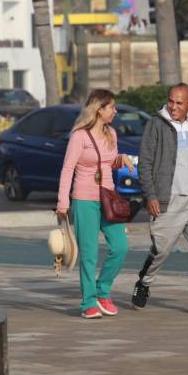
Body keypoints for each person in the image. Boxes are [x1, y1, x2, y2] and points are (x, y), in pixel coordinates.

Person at [131, 83, 188, 314]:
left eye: (179, 103)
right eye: (171, 101)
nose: (173, 107)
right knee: (160, 250)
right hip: (167, 201)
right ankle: (144, 283)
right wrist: (150, 195)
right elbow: (146, 163)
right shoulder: (156, 124)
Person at [56, 89, 135, 319]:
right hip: (84, 199)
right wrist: (63, 201)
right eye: (111, 107)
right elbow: (68, 168)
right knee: (89, 254)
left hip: (108, 198)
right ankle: (88, 302)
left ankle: (103, 290)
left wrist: (122, 159)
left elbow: (109, 163)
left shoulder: (111, 133)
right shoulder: (79, 136)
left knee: (120, 246)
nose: (115, 111)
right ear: (99, 109)